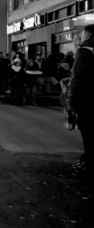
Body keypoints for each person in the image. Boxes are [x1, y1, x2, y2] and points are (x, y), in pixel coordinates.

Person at [67, 24, 94, 190]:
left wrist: (71, 99)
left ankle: (88, 166)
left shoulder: (83, 53)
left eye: (82, 34)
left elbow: (76, 77)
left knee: (88, 133)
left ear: (88, 36)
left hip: (86, 99)